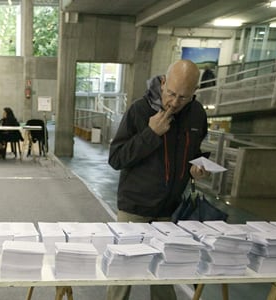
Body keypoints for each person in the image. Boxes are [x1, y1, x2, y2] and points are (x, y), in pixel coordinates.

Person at [107, 59, 210, 300]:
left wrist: (199, 165)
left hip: (170, 211)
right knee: (123, 275)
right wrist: (150, 134)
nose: (175, 102)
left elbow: (196, 150)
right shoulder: (139, 111)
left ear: (194, 93)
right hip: (135, 209)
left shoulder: (196, 115)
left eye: (183, 97)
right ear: (163, 82)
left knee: (165, 276)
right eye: (171, 93)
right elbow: (116, 158)